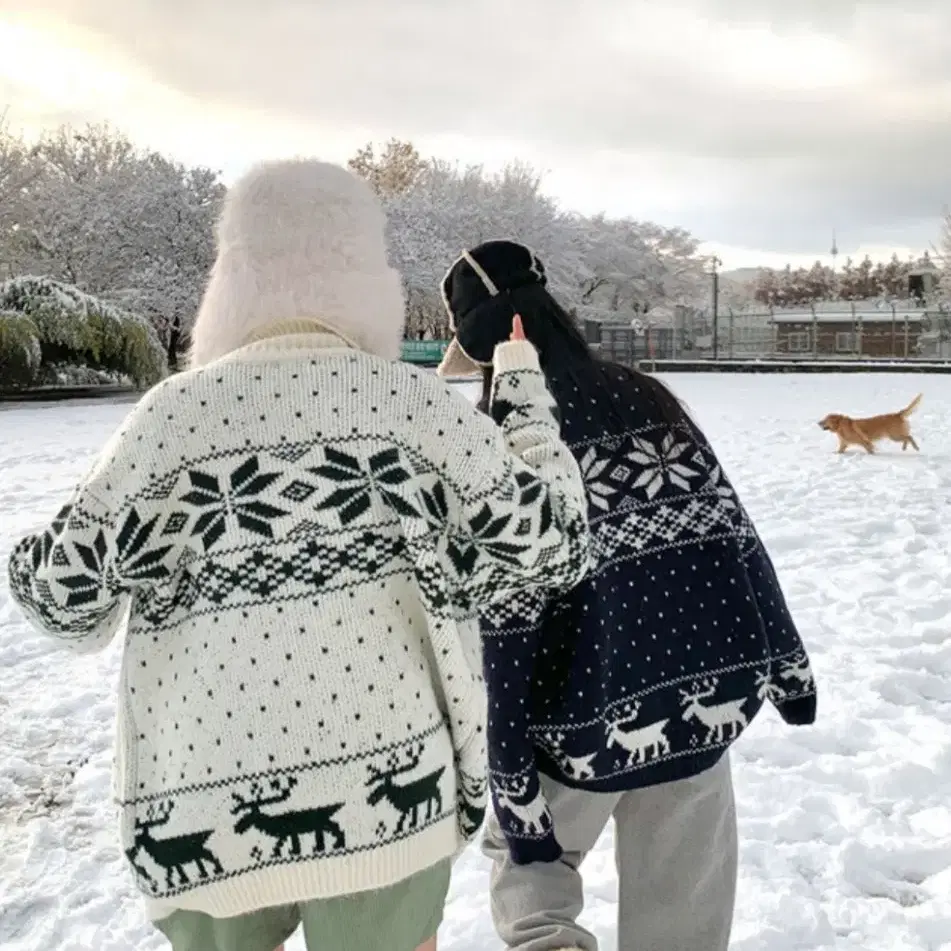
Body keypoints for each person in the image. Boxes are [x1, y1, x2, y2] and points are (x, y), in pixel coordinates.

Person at [6, 166, 592, 951]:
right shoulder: (411, 407)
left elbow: (58, 598)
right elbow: (553, 542)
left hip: (198, 812)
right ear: (368, 275)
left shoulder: (167, 421)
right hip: (391, 805)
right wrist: (519, 393)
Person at [437, 239, 818, 951]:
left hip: (572, 709)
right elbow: (732, 535)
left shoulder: (496, 435)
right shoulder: (646, 397)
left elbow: (498, 597)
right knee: (685, 893)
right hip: (696, 699)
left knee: (532, 875)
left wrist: (502, 736)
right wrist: (789, 667)